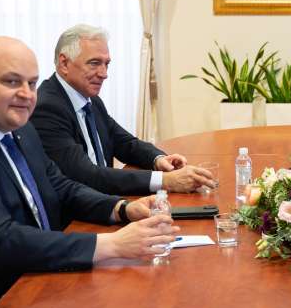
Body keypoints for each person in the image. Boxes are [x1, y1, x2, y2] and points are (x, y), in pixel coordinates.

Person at [0, 37, 179, 308]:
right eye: (11, 81)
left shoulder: (18, 126)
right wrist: (112, 244)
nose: (27, 94)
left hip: (37, 273)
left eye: (31, 83)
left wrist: (122, 209)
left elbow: (61, 186)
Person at [31, 25, 213, 196]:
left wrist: (158, 159)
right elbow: (85, 175)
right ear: (64, 63)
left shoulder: (91, 99)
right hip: (77, 213)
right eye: (94, 63)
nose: (104, 74)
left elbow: (124, 143)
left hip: (105, 201)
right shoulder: (47, 108)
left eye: (106, 64)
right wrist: (165, 181)